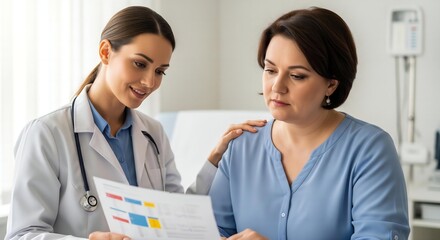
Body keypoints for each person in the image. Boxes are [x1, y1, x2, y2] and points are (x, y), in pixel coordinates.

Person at [5, 6, 266, 240]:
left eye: (160, 71)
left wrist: (214, 160)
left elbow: (174, 220)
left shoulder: (153, 133)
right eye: (139, 64)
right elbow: (22, 234)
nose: (149, 82)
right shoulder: (46, 134)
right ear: (106, 52)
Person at [208, 6, 410, 240]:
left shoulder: (370, 150)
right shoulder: (241, 146)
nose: (277, 86)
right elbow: (211, 230)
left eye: (297, 76)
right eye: (270, 70)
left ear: (331, 84)